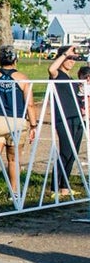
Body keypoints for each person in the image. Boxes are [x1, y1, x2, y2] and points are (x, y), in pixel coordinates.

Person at [0, 45, 37, 202]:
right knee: (13, 159)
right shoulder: (23, 78)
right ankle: (14, 192)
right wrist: (33, 124)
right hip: (16, 122)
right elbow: (30, 104)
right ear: (15, 59)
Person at [48, 45, 84, 197]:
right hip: (63, 118)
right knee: (66, 151)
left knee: (73, 153)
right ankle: (55, 186)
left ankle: (64, 186)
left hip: (76, 118)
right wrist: (64, 54)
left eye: (74, 59)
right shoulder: (57, 75)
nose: (72, 61)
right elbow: (51, 69)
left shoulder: (72, 79)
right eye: (69, 58)